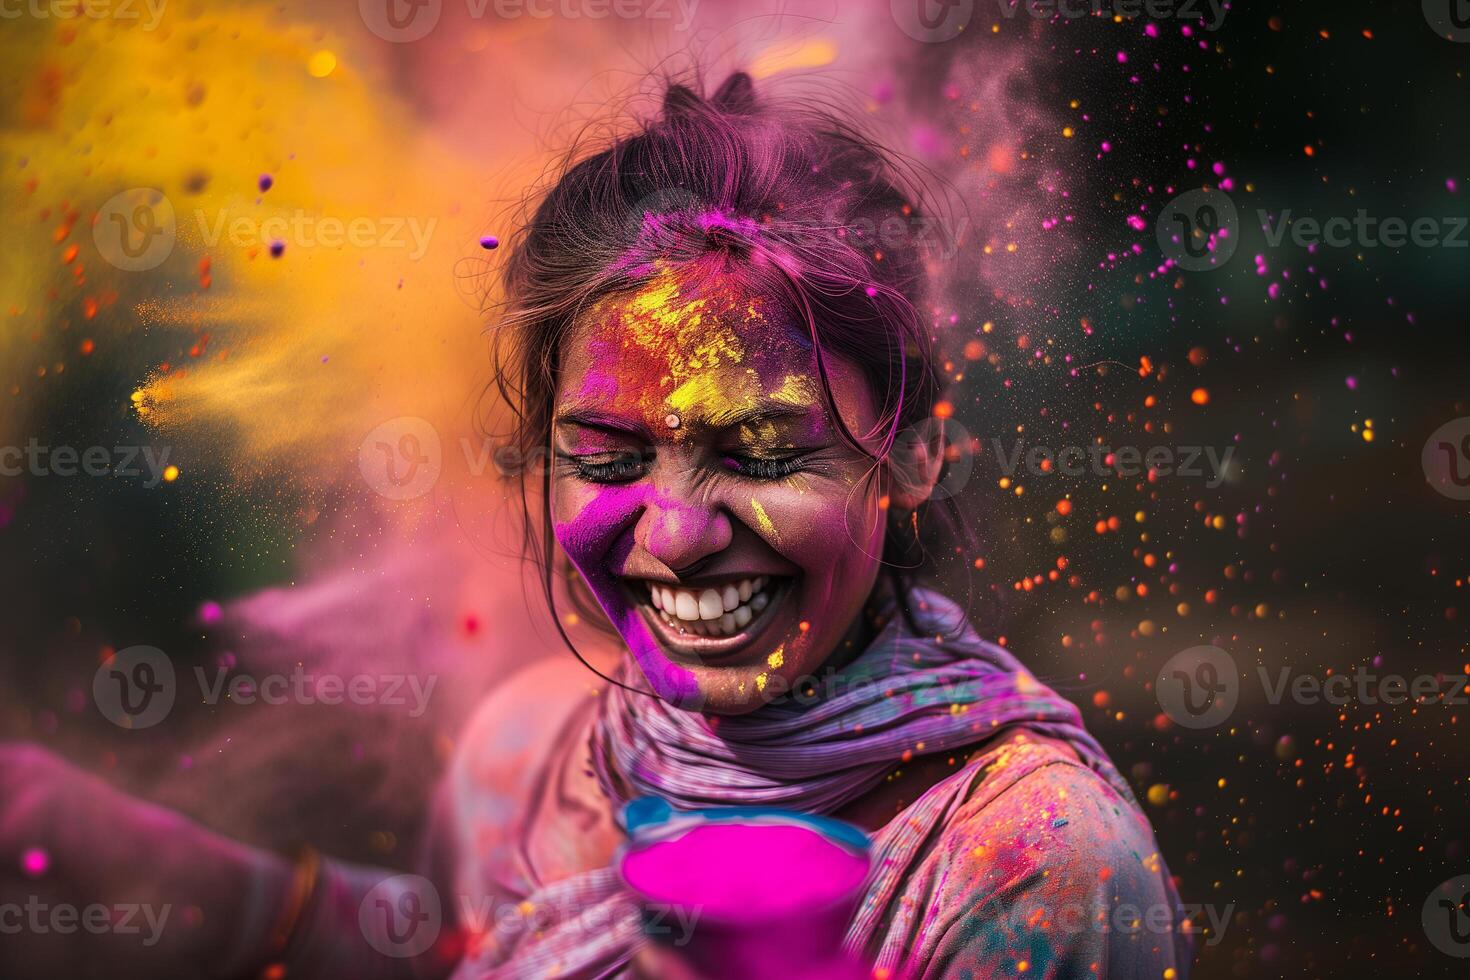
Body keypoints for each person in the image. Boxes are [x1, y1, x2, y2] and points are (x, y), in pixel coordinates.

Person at [0, 71, 1190, 980]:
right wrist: (201, 885)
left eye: (764, 451)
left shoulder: (1032, 861)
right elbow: (469, 951)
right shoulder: (526, 760)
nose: (671, 537)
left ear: (916, 450)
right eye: (608, 457)